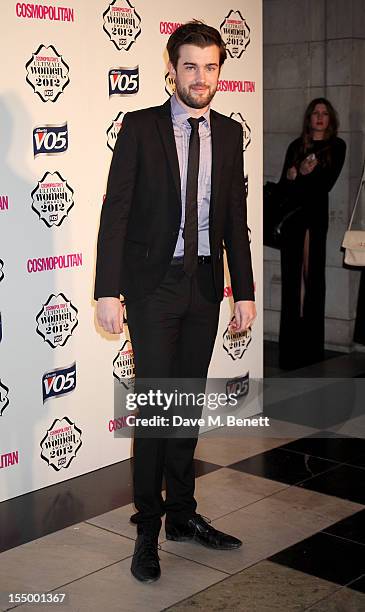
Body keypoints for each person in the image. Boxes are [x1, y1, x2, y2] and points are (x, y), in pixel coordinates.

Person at [94, 21, 256, 583]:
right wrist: (106, 289)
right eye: (190, 66)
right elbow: (115, 212)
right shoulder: (141, 127)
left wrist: (246, 292)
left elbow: (235, 220)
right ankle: (147, 528)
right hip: (152, 285)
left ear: (219, 73)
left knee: (187, 406)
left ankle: (183, 516)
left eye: (211, 66)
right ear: (172, 70)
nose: (201, 77)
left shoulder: (231, 135)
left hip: (206, 285)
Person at [278, 98, 346, 369]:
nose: (319, 117)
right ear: (308, 118)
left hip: (315, 219)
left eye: (324, 114)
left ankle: (311, 349)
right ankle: (290, 350)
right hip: (293, 220)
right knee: (291, 283)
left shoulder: (336, 147)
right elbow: (284, 186)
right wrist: (294, 176)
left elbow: (324, 185)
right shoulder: (296, 146)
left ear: (330, 120)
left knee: (313, 279)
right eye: (315, 113)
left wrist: (304, 176)